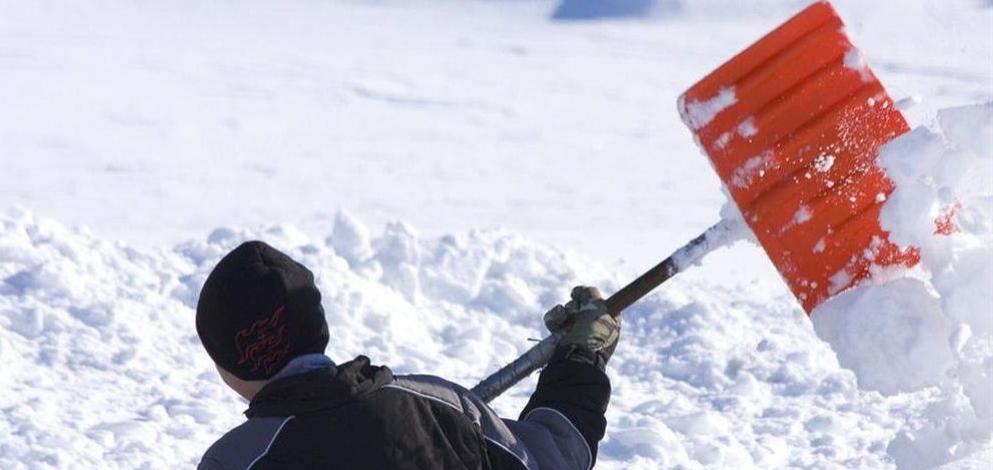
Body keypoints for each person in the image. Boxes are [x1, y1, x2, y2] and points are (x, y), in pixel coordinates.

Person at [195, 241, 621, 470]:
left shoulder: (237, 460)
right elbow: (557, 456)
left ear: (226, 363)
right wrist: (582, 354)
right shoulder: (443, 407)